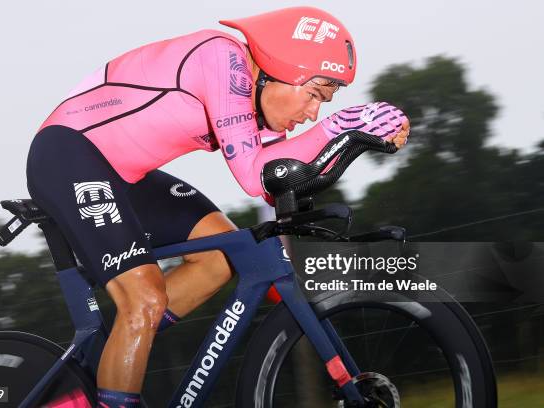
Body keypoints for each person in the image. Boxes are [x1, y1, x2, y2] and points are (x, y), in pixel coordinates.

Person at [26, 6, 410, 407]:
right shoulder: (223, 60)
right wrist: (341, 127)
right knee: (143, 300)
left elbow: (279, 184)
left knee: (220, 255)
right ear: (281, 68)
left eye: (324, 102)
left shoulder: (252, 100)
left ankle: (114, 356)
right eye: (315, 94)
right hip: (67, 155)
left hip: (124, 174)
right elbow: (254, 176)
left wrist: (356, 139)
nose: (314, 111)